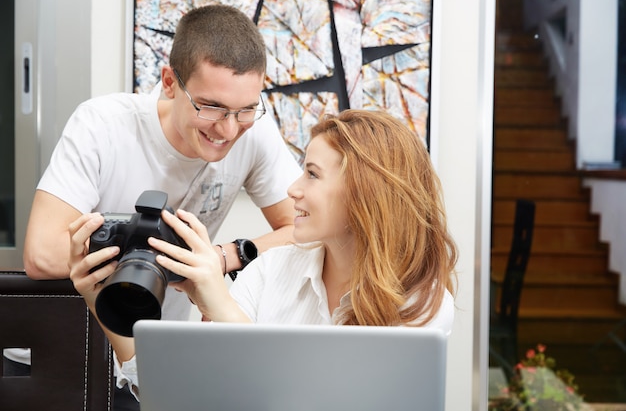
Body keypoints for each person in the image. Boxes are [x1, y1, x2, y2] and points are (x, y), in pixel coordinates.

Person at [8, 4, 302, 411]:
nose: (229, 129)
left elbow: (303, 228)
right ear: (168, 81)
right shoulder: (103, 124)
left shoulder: (255, 133)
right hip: (66, 355)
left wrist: (221, 257)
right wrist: (155, 252)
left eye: (245, 110)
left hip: (154, 360)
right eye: (211, 107)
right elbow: (41, 254)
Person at [69, 109, 458, 400]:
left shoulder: (422, 303)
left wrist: (217, 298)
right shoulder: (270, 271)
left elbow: (303, 400)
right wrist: (99, 297)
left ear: (365, 193)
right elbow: (178, 391)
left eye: (312, 174)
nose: (292, 189)